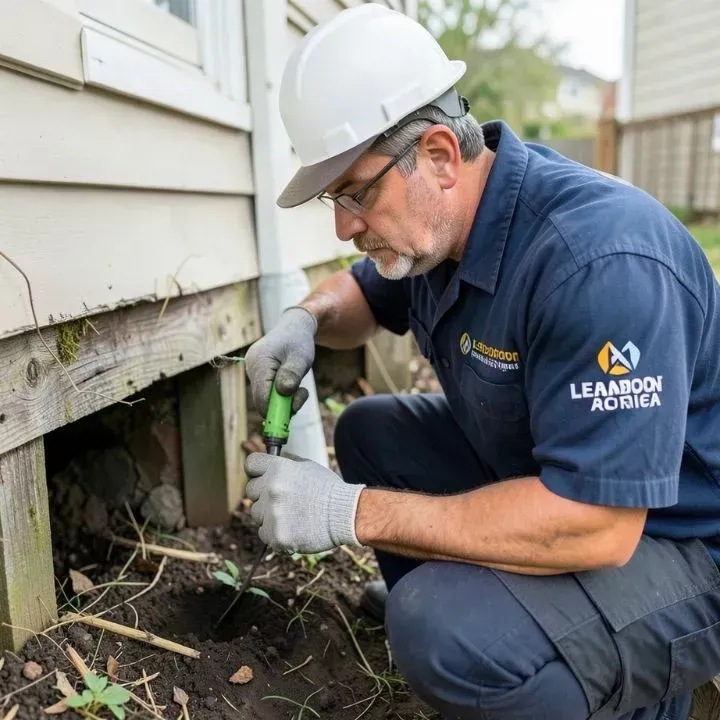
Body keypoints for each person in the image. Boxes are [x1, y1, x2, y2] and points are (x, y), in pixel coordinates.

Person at [242, 4, 720, 719]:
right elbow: (361, 298)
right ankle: (498, 626)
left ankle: (621, 689)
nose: (344, 225)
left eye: (356, 193)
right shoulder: (444, 227)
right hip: (565, 479)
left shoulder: (598, 262)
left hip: (677, 543)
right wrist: (304, 321)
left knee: (439, 630)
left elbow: (600, 523)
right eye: (334, 199)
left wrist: (351, 512)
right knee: (371, 431)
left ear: (438, 154)